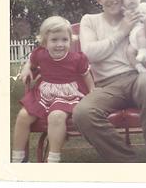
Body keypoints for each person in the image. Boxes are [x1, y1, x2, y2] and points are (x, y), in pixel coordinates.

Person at [72, 0, 146, 163]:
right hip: (106, 86)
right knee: (83, 112)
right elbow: (90, 53)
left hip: (136, 77)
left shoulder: (134, 16)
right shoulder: (90, 20)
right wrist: (122, 32)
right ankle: (128, 162)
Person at [12, 16, 94, 163]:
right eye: (54, 40)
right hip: (44, 93)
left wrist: (93, 92)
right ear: (45, 42)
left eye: (64, 40)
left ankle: (52, 160)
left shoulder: (77, 58)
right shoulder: (41, 54)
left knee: (56, 116)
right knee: (23, 116)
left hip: (67, 94)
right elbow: (32, 59)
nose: (60, 44)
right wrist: (26, 68)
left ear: (71, 40)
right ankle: (18, 160)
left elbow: (86, 75)